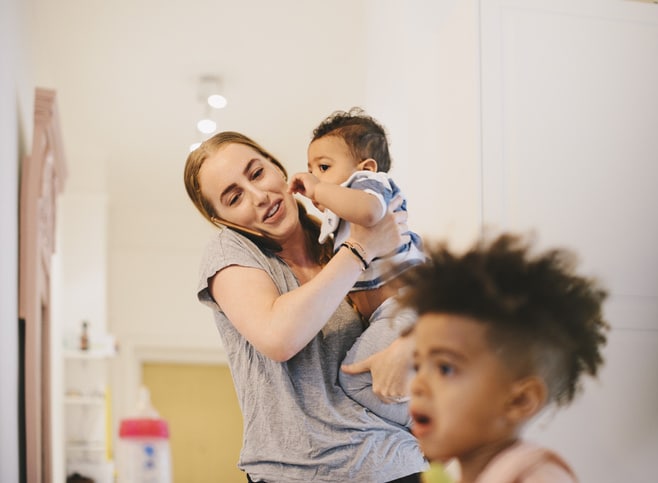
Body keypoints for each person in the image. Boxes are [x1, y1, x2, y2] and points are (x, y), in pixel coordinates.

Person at [183, 131, 426, 483]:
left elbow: (423, 305)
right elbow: (279, 336)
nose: (259, 196)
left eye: (256, 173)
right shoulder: (231, 252)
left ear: (278, 168)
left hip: (397, 463)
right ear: (222, 219)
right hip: (301, 472)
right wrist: (360, 248)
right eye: (234, 198)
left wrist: (409, 343)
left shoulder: (339, 235)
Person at [399, 233, 609, 483]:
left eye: (445, 369)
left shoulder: (538, 477)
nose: (417, 385)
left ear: (519, 400)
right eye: (418, 366)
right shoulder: (452, 473)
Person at [289, 108, 425, 427]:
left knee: (354, 380)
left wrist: (318, 190)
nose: (315, 178)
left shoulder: (370, 186)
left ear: (366, 167)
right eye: (311, 170)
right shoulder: (340, 220)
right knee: (371, 377)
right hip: (391, 314)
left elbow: (369, 212)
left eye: (323, 167)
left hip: (403, 308)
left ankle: (429, 423)